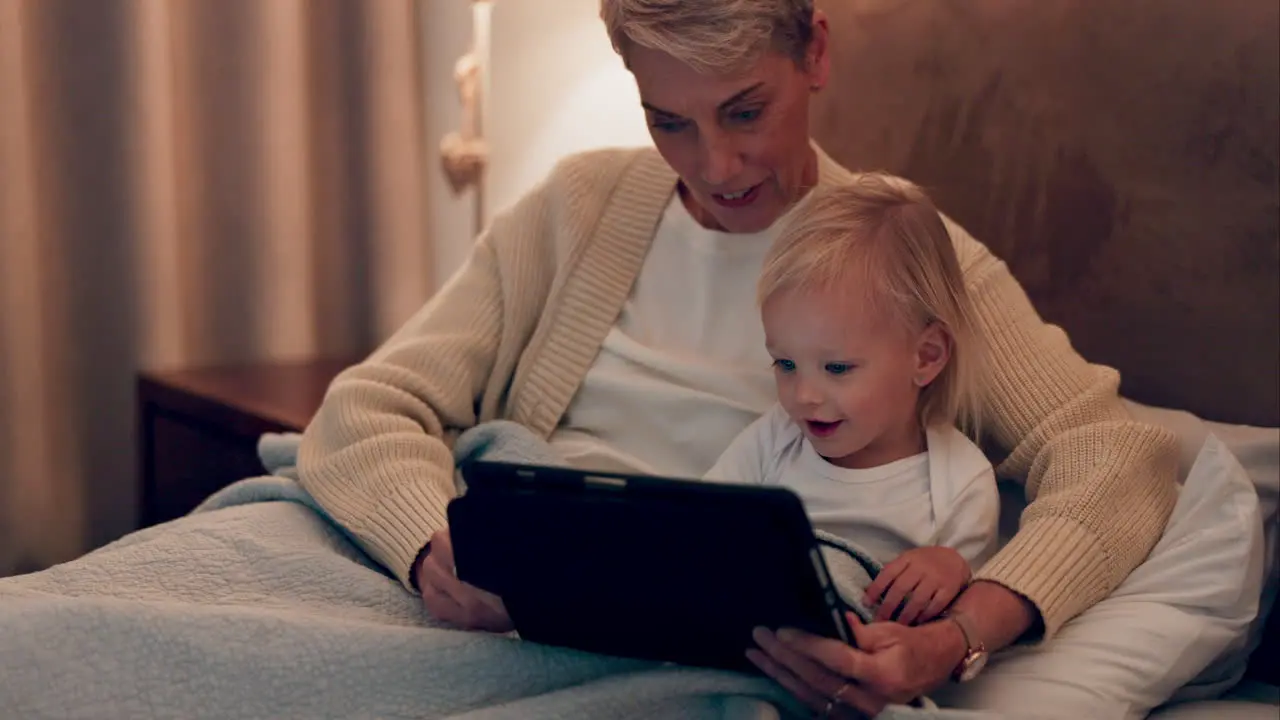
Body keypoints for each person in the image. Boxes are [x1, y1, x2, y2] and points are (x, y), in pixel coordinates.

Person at [296, 0, 1181, 716]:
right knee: (174, 602)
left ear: (816, 54)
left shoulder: (915, 265)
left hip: (696, 642)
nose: (715, 164)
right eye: (668, 120)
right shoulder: (576, 207)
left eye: (745, 111)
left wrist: (959, 635)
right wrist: (429, 547)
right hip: (510, 591)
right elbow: (368, 406)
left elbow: (1114, 455)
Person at [703, 177, 999, 630]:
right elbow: (704, 523)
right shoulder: (776, 437)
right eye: (784, 363)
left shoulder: (961, 484)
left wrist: (950, 567)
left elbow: (958, 622)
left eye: (837, 369)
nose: (803, 396)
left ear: (926, 357)